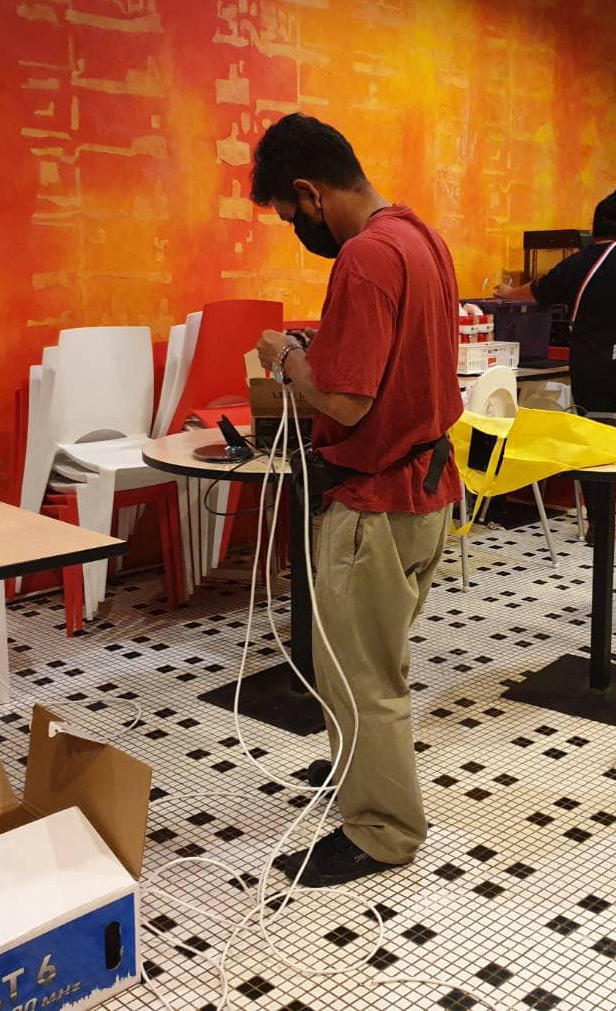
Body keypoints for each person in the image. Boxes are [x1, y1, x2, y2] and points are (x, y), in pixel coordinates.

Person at [252, 113, 462, 887]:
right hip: (426, 489)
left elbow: (344, 401)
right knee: (372, 659)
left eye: (291, 215)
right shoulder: (420, 238)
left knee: (358, 673)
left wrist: (287, 361)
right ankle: (357, 772)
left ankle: (382, 831)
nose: (298, 230)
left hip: (375, 502)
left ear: (310, 192)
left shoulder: (365, 258)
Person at [495, 189, 616, 535]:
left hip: (590, 365)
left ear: (594, 227)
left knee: (592, 439)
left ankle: (599, 522)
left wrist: (508, 293)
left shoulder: (578, 261)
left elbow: (538, 291)